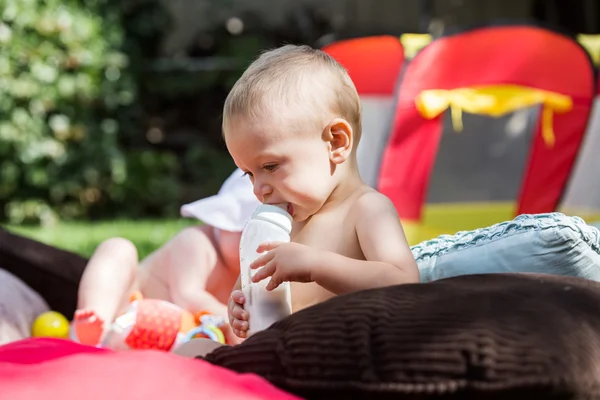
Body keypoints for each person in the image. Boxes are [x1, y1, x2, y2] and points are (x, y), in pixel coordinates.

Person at [220, 44, 421, 340]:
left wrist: (316, 265)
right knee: (194, 352)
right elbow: (251, 283)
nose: (258, 188)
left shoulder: (366, 209)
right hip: (283, 351)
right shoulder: (284, 226)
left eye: (271, 166)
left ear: (336, 143)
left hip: (342, 356)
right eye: (249, 173)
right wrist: (239, 304)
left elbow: (404, 283)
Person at [72, 168, 260, 346]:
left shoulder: (255, 274)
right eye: (246, 232)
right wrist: (235, 321)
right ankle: (95, 321)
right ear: (220, 222)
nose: (254, 247)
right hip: (125, 311)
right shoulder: (197, 242)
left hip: (166, 340)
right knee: (118, 249)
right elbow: (187, 296)